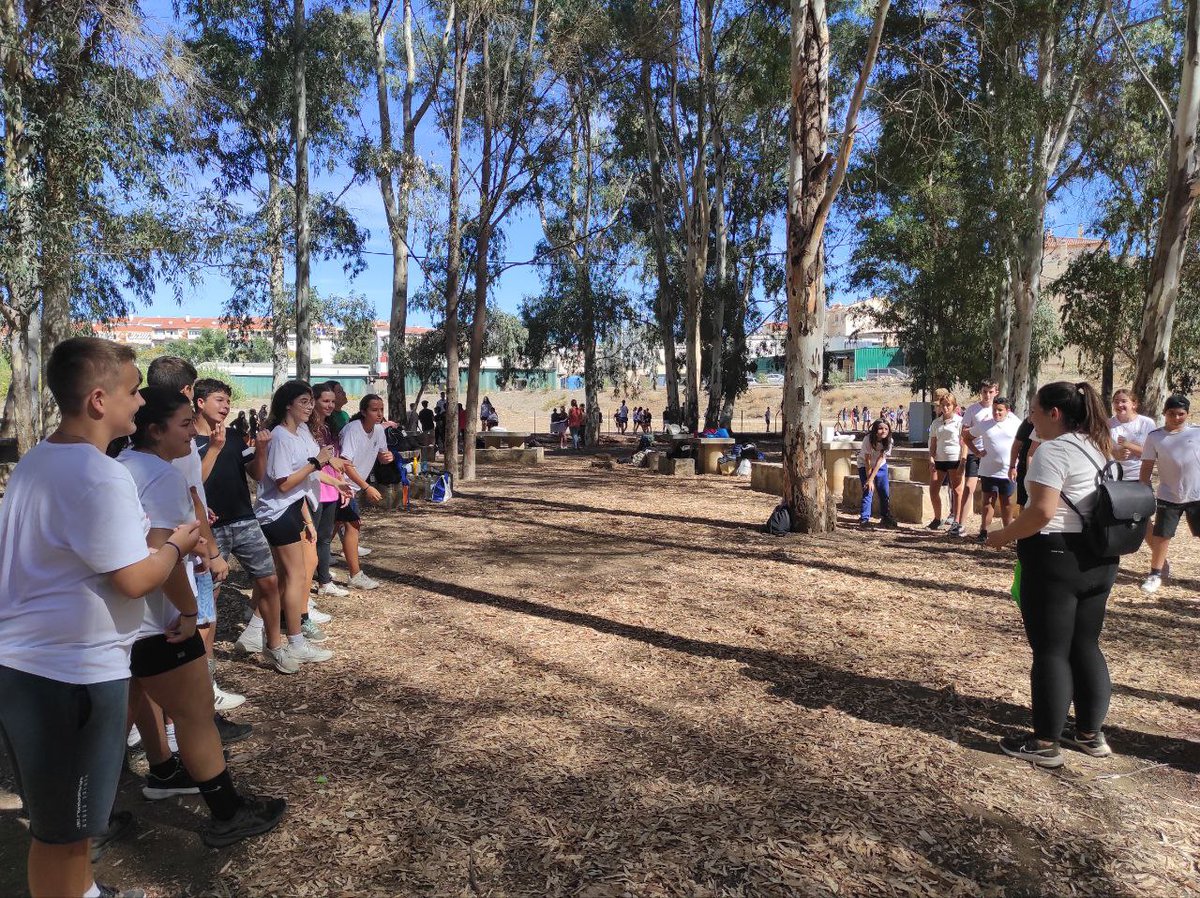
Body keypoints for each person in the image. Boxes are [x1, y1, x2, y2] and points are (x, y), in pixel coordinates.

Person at [0, 338, 203, 898]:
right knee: (64, 835)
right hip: (72, 675)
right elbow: (134, 578)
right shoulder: (99, 474)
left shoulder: (38, 461)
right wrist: (178, 545)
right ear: (98, 400)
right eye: (133, 391)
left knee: (65, 830)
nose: (140, 402)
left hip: (29, 666)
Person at [116, 387, 287, 847]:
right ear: (156, 431)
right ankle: (228, 813)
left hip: (125, 623)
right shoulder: (161, 475)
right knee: (195, 714)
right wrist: (190, 610)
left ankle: (107, 805)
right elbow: (161, 554)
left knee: (126, 710)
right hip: (164, 621)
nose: (192, 432)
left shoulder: (121, 467)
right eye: (184, 424)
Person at [984, 381, 1117, 769]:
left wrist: (1003, 536)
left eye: (1034, 412)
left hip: (1056, 558)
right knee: (1085, 644)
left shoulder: (1053, 451)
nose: (1031, 420)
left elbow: (1042, 511)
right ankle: (1090, 733)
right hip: (1099, 558)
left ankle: (1045, 743)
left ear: (1054, 413)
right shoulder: (1099, 446)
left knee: (1051, 650)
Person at [146, 358, 238, 728]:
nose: (190, 434)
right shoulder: (167, 458)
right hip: (185, 559)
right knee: (195, 627)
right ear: (188, 391)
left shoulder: (142, 454)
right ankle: (190, 717)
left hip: (188, 550)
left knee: (199, 625)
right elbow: (179, 513)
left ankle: (197, 703)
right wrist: (209, 551)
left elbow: (194, 496)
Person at [191, 380, 297, 673]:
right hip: (210, 528)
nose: (225, 406)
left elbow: (257, 474)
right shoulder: (187, 440)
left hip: (244, 520)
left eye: (228, 401)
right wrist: (214, 448)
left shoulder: (235, 436)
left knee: (269, 581)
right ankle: (206, 666)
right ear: (200, 402)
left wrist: (261, 449)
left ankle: (274, 646)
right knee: (210, 595)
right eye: (219, 400)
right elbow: (192, 482)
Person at [256, 381, 337, 667]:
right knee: (295, 576)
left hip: (294, 508)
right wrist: (317, 462)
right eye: (304, 401)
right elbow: (283, 483)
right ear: (287, 404)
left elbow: (305, 478)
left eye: (310, 401)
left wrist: (331, 476)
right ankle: (295, 642)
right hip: (277, 512)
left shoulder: (300, 431)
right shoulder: (280, 436)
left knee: (290, 576)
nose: (310, 406)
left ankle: (260, 632)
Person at [1138, 394, 1200, 593]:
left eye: (1181, 414)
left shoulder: (1197, 433)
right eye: (1172, 413)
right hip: (1169, 495)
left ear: (1187, 414)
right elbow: (1147, 466)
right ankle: (1155, 574)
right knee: (1162, 536)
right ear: (1165, 413)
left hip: (1197, 495)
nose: (1176, 417)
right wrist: (1144, 489)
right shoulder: (1155, 437)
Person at [337, 395, 394, 591]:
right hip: (340, 485)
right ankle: (354, 575)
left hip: (352, 487)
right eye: (374, 410)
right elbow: (345, 463)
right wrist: (366, 487)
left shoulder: (378, 430)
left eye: (381, 409)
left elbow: (381, 456)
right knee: (352, 525)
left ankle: (321, 573)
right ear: (363, 411)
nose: (379, 414)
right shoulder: (352, 430)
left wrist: (387, 457)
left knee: (331, 530)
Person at [308, 383, 352, 602]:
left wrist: (340, 482)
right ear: (313, 401)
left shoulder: (330, 427)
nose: (330, 405)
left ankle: (324, 582)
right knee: (310, 539)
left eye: (332, 401)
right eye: (325, 401)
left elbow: (337, 460)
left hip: (330, 488)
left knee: (325, 538)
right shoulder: (306, 429)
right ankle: (303, 589)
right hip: (313, 488)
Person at [968, 395, 1021, 542]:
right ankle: (984, 531)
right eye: (994, 410)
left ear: (1007, 411)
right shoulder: (985, 425)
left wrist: (1016, 464)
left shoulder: (1016, 423)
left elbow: (1023, 442)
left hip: (1008, 470)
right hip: (988, 470)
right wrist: (977, 452)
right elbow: (966, 436)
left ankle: (1008, 533)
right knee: (988, 501)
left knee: (1007, 502)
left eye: (1000, 410)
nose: (996, 413)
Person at [953, 381, 999, 537]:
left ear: (996, 392)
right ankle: (961, 524)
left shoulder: (999, 410)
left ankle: (985, 528)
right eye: (985, 391)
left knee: (991, 492)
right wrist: (970, 454)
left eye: (990, 392)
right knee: (968, 487)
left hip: (993, 455)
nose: (987, 395)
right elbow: (964, 435)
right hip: (976, 454)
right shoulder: (972, 409)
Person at [926, 393, 963, 530]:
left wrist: (963, 461)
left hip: (954, 459)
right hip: (939, 460)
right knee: (933, 490)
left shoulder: (960, 422)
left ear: (954, 406)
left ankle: (956, 521)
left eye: (948, 405)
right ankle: (937, 518)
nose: (945, 408)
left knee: (957, 491)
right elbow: (933, 443)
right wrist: (931, 459)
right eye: (943, 405)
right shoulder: (936, 422)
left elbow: (963, 443)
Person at [1109, 389, 1156, 484]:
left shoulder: (1146, 423)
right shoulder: (1108, 424)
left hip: (1139, 476)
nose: (1119, 405)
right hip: (1114, 477)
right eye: (1116, 402)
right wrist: (1115, 454)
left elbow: (1151, 453)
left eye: (1124, 401)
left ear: (1134, 404)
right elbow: (1102, 449)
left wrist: (1128, 445)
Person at [857, 419, 898, 529]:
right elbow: (867, 460)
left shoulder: (889, 441)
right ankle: (864, 519)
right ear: (875, 430)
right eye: (880, 428)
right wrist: (869, 480)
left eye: (886, 429)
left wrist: (872, 478)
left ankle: (885, 516)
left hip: (880, 466)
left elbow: (880, 459)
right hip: (865, 465)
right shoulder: (868, 439)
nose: (883, 431)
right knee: (868, 490)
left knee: (884, 491)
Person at [1010, 415, 1039, 510]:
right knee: (1024, 502)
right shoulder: (1028, 423)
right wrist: (1012, 467)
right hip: (1025, 466)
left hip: (1043, 468)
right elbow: (1016, 445)